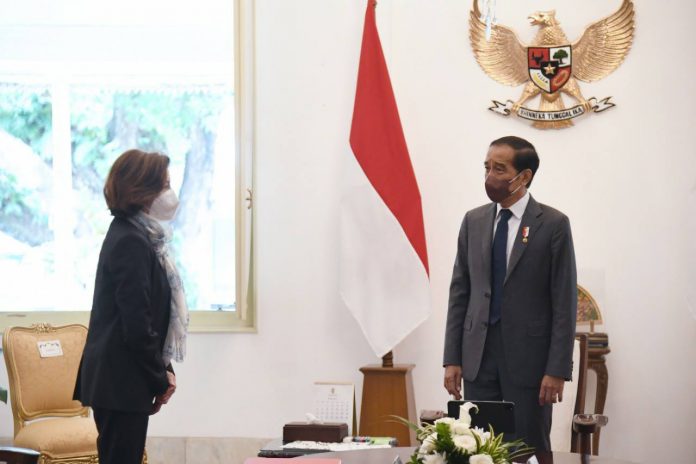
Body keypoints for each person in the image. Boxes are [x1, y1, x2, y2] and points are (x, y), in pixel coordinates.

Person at [443, 136, 577, 451]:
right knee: (476, 449)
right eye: (487, 167)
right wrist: (452, 358)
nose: (490, 177)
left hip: (530, 364)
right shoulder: (473, 221)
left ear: (524, 176)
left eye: (500, 169)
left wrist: (556, 369)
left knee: (527, 449)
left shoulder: (553, 224)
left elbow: (564, 302)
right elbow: (460, 292)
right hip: (478, 358)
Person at [74, 149, 189, 464]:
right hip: (119, 380)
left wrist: (163, 369)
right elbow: (136, 324)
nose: (170, 193)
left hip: (124, 379)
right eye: (164, 185)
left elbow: (148, 318)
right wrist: (160, 377)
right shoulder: (130, 240)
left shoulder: (139, 235)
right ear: (142, 189)